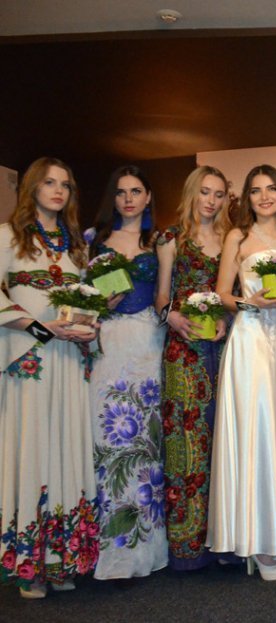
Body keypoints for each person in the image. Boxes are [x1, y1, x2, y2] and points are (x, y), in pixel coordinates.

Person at [0, 158, 100, 598]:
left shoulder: (77, 247)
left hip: (69, 361)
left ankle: (62, 557)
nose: (58, 190)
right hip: (30, 361)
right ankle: (30, 565)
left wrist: (89, 326)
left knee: (67, 449)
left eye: (65, 184)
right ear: (32, 188)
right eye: (49, 183)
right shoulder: (8, 236)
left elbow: (86, 302)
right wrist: (43, 329)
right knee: (34, 450)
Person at [206, 165, 276, 580]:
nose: (264, 197)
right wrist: (252, 303)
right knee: (258, 432)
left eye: (271, 188)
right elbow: (222, 294)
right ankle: (259, 542)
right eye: (256, 190)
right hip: (251, 341)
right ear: (247, 197)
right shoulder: (237, 237)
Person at [87, 166, 167, 580]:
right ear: (113, 198)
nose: (129, 199)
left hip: (148, 343)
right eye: (121, 192)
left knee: (146, 442)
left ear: (149, 196)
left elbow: (163, 298)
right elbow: (81, 299)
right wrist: (100, 305)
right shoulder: (93, 241)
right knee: (108, 435)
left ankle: (143, 546)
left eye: (136, 191)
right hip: (109, 341)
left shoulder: (159, 241)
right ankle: (109, 548)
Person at [155, 165, 232, 571]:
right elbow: (160, 297)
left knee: (222, 441)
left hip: (222, 350)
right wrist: (172, 317)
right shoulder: (172, 237)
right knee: (186, 444)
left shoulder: (230, 237)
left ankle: (224, 541)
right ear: (192, 193)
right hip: (183, 351)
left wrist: (225, 320)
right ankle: (187, 547)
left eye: (219, 194)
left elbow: (231, 295)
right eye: (205, 192)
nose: (211, 201)